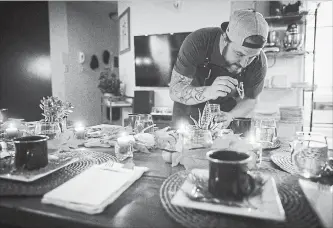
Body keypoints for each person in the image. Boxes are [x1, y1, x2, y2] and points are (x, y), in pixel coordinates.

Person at [169, 9, 269, 128]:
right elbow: (175, 90)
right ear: (224, 38)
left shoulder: (259, 62)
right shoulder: (199, 41)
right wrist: (209, 92)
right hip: (186, 122)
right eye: (239, 54)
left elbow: (251, 99)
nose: (244, 63)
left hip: (224, 125)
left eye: (251, 57)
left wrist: (231, 116)